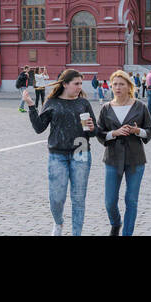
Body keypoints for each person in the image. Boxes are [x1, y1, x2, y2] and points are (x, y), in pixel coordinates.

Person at [25, 68, 96, 236]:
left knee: (78, 198)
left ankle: (76, 233)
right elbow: (39, 128)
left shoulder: (83, 103)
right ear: (65, 84)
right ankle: (58, 223)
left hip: (81, 150)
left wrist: (93, 128)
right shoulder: (52, 102)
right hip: (57, 154)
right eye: (76, 83)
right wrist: (30, 106)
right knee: (56, 198)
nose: (79, 87)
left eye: (81, 83)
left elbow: (92, 132)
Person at [95, 70, 151, 236]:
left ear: (129, 87)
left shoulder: (140, 106)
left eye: (122, 84)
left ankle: (127, 233)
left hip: (136, 158)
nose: (118, 87)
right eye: (115, 84)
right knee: (110, 201)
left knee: (131, 200)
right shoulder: (106, 108)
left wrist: (137, 130)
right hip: (112, 158)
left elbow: (150, 131)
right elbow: (100, 134)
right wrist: (114, 133)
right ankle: (115, 223)